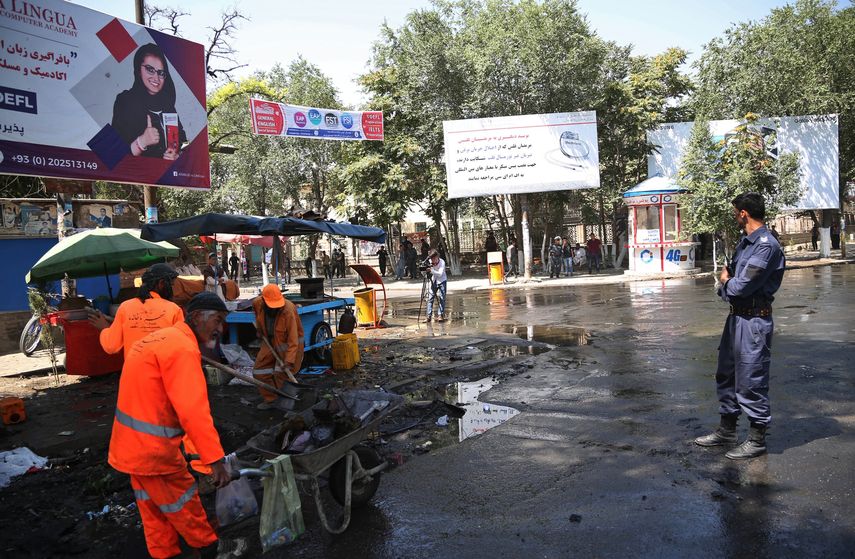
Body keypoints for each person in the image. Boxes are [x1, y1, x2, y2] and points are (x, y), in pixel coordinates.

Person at [108, 292, 232, 559]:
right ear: (197, 317)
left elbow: (167, 404)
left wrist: (198, 456)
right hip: (154, 454)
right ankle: (211, 550)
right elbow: (193, 412)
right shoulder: (182, 350)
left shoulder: (160, 339)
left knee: (155, 515)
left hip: (130, 448)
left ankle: (165, 554)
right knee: (186, 506)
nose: (220, 329)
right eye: (218, 320)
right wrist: (215, 461)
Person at [694, 193, 785, 460]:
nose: (735, 216)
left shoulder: (766, 245)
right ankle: (727, 430)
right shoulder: (745, 243)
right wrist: (728, 283)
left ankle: (757, 439)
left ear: (743, 213)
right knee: (727, 374)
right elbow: (732, 275)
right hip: (736, 319)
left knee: (751, 380)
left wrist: (725, 283)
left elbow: (740, 285)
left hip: (754, 321)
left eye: (736, 212)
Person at [89, 263, 182, 359]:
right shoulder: (174, 309)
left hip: (134, 372)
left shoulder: (125, 307)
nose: (173, 290)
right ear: (161, 283)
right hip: (163, 371)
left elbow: (111, 346)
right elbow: (181, 346)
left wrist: (104, 328)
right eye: (171, 285)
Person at [112, 43, 186, 160]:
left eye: (161, 73)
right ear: (138, 69)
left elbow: (182, 141)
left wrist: (177, 156)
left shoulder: (168, 105)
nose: (156, 78)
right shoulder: (125, 100)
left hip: (166, 176)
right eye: (150, 69)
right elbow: (112, 155)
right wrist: (142, 142)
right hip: (136, 175)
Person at [252, 284, 304, 411]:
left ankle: (285, 404)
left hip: (288, 345)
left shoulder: (288, 310)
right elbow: (257, 314)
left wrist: (289, 360)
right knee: (259, 372)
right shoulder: (258, 303)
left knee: (281, 375)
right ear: (264, 300)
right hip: (269, 340)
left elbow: (293, 339)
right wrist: (259, 330)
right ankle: (271, 399)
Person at [423, 249, 447, 323]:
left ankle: (440, 315)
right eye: (431, 259)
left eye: (434, 258)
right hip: (433, 281)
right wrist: (425, 271)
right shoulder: (430, 262)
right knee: (430, 298)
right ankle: (428, 316)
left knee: (442, 298)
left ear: (437, 256)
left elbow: (440, 273)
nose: (433, 261)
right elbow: (425, 273)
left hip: (442, 280)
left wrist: (431, 271)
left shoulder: (442, 262)